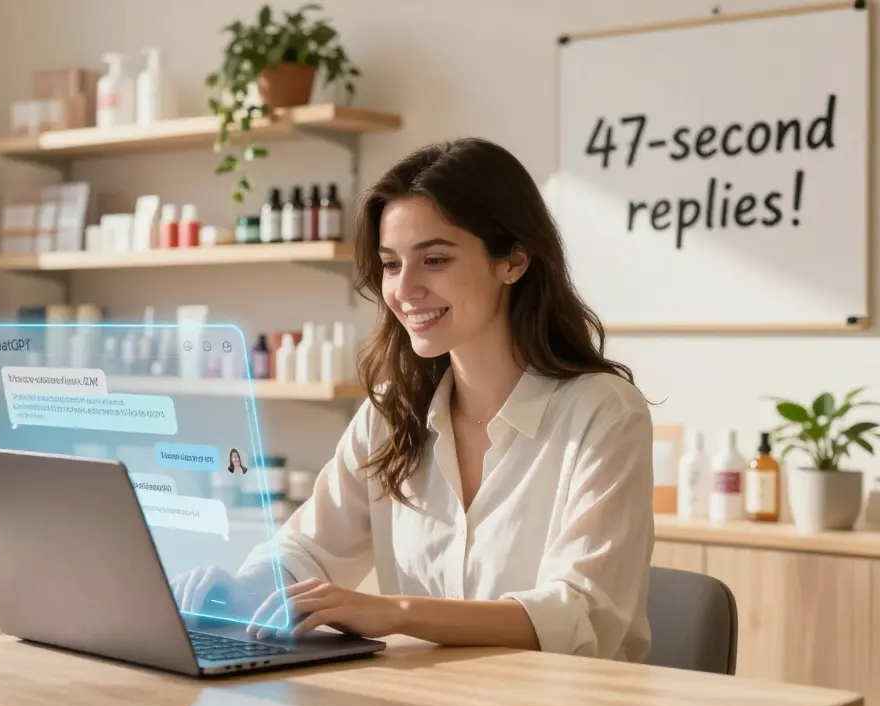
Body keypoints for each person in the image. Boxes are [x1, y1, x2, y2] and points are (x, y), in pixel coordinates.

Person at [172, 139, 654, 662]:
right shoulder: (391, 410)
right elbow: (310, 548)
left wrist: (395, 612)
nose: (405, 290)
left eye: (435, 259)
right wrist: (239, 591)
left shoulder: (604, 414)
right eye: (391, 264)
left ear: (513, 261)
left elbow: (581, 614)